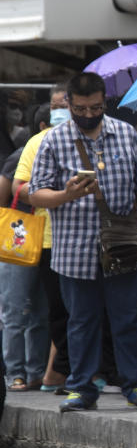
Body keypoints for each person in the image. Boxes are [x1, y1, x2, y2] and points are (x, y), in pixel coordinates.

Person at [30, 72, 137, 412]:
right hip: (74, 250)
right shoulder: (53, 140)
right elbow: (36, 194)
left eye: (95, 107)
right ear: (70, 104)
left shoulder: (125, 135)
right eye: (80, 108)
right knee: (81, 321)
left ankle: (135, 383)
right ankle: (82, 387)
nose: (89, 114)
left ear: (105, 102)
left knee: (129, 318)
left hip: (124, 247)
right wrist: (67, 193)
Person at [12, 83, 71, 393]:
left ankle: (70, 371)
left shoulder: (96, 140)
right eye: (55, 106)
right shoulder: (37, 142)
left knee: (85, 310)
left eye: (65, 104)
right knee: (56, 310)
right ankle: (56, 372)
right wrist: (56, 196)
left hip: (85, 237)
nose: (60, 111)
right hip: (47, 239)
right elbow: (17, 188)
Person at [0, 104, 51, 391]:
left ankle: (36, 371)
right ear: (42, 125)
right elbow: (3, 196)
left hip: (47, 242)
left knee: (41, 312)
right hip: (18, 240)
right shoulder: (21, 156)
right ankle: (14, 373)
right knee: (15, 310)